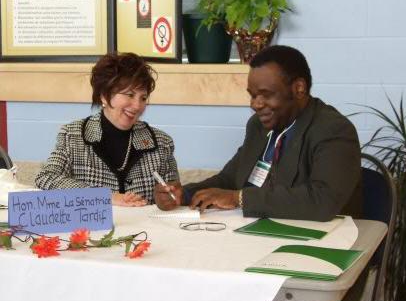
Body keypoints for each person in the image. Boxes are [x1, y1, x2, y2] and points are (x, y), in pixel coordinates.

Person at [155, 45, 362, 221]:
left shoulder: (333, 130)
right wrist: (184, 194)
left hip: (313, 245)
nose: (255, 104)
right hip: (253, 234)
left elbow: (322, 201)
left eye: (266, 94)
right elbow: (229, 180)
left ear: (299, 88)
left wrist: (239, 198)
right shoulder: (258, 126)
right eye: (252, 96)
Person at [35, 53, 179, 206]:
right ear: (104, 95)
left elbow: (174, 195)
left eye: (143, 98)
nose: (137, 106)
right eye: (129, 95)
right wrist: (104, 196)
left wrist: (170, 198)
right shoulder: (73, 135)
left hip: (148, 229)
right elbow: (46, 178)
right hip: (94, 230)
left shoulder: (162, 143)